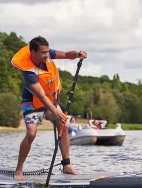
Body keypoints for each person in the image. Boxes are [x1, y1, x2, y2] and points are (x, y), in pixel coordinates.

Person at [11, 36, 87, 180]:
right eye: (43, 53)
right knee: (32, 133)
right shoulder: (28, 72)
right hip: (33, 102)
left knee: (63, 123)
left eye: (47, 51)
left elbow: (65, 55)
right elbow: (41, 96)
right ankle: (19, 169)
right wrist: (56, 112)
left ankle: (66, 165)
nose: (47, 55)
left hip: (50, 99)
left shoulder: (47, 55)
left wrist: (77, 54)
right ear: (33, 52)